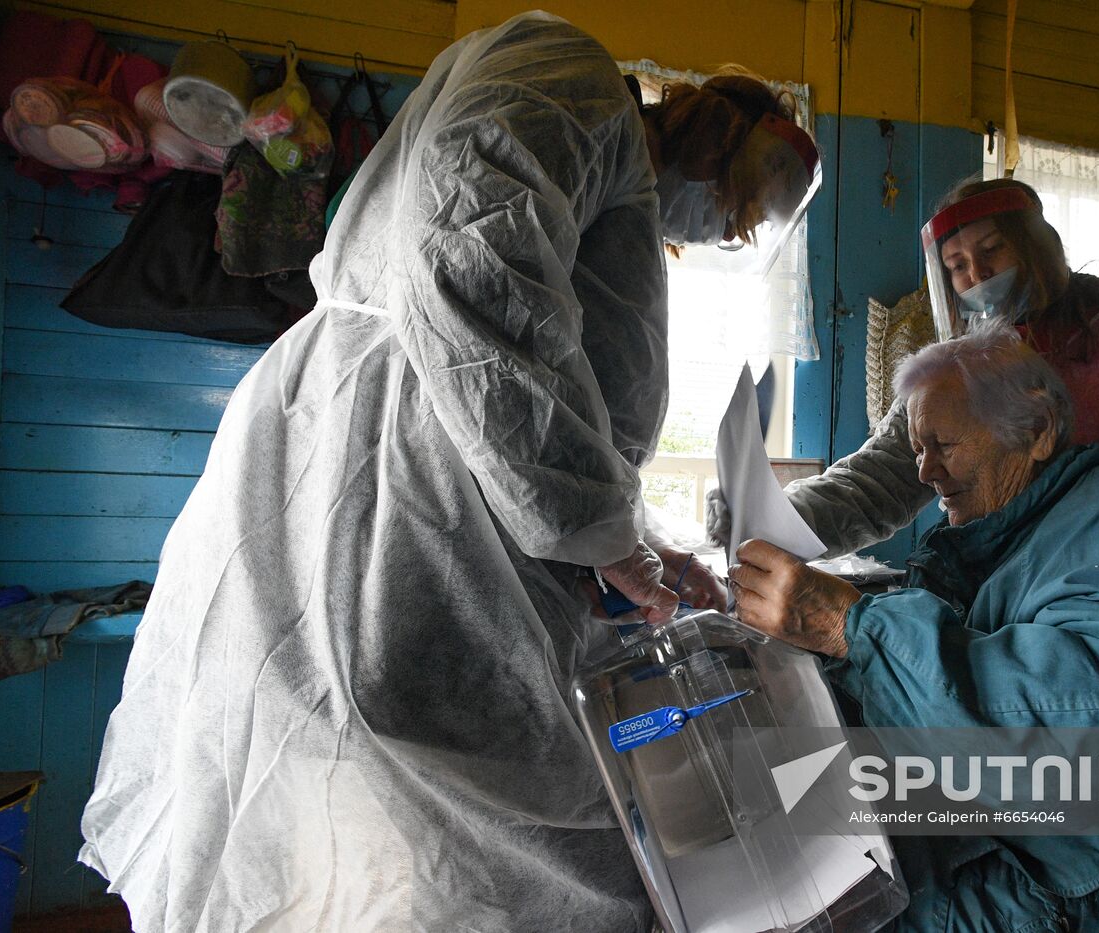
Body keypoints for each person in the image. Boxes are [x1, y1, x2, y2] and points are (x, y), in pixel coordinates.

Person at [80, 13, 816, 931]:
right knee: (449, 829)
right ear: (717, 140)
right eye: (736, 207)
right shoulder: (573, 77)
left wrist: (639, 540)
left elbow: (551, 395)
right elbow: (472, 266)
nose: (721, 230)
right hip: (399, 504)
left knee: (426, 852)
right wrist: (606, 536)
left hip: (434, 511)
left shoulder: (608, 180)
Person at [711, 176, 1099, 928]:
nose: (975, 275)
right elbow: (882, 477)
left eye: (990, 251)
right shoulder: (959, 370)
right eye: (957, 265)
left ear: (1036, 244)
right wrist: (765, 523)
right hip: (1077, 619)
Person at [729, 325, 1099, 930]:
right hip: (1008, 851)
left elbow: (1072, 747)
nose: (924, 472)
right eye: (918, 448)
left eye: (943, 443)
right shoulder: (996, 535)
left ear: (1037, 431)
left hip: (1088, 887)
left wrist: (853, 628)